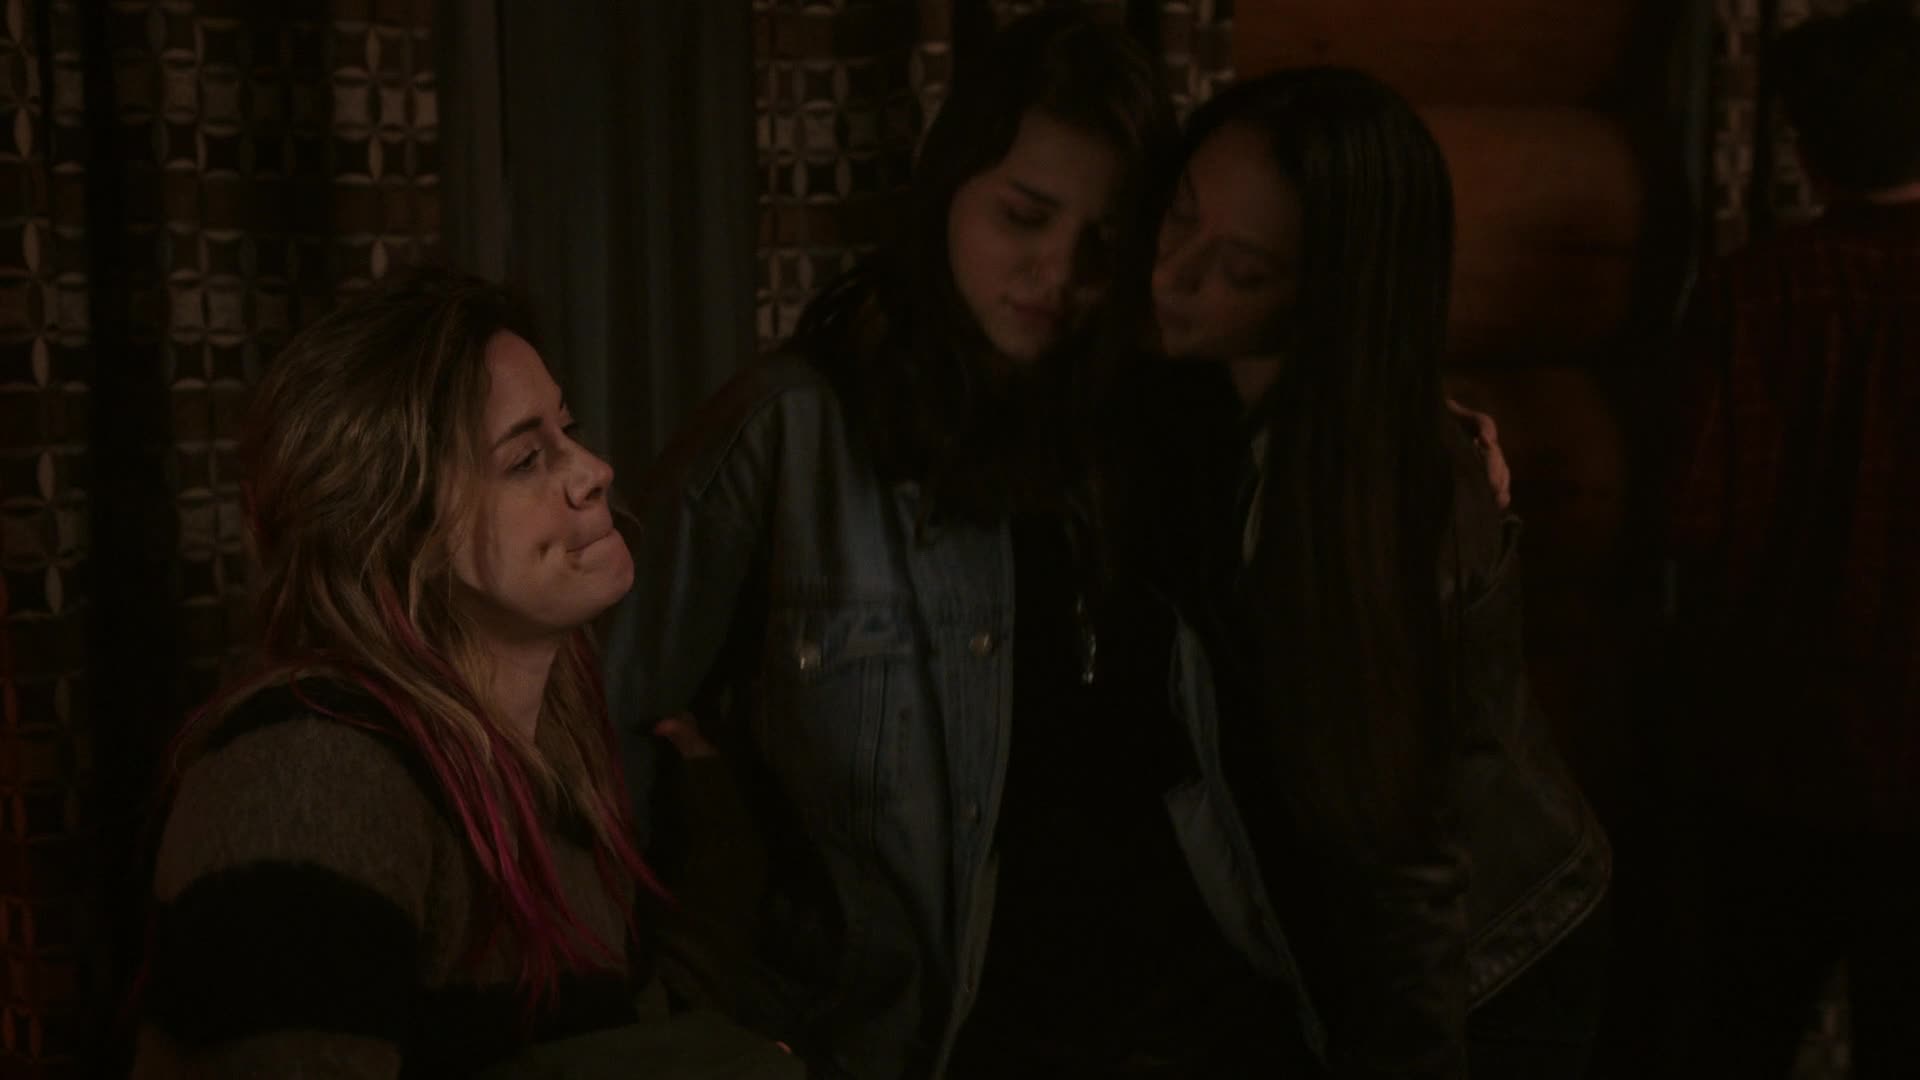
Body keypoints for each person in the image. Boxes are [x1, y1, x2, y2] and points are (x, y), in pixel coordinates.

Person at [602, 8, 1337, 1077]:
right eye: (1023, 216)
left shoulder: (1157, 419)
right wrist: (672, 1001)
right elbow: (596, 725)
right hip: (908, 1041)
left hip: (1191, 1023)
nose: (1057, 272)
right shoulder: (792, 434)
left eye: (1104, 240)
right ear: (950, 186)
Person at [131, 268, 798, 1078]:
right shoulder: (310, 759)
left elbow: (608, 1045)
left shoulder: (546, 769)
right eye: (526, 458)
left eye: (569, 429)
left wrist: (724, 849)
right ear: (401, 529)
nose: (594, 469)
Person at [1136, 67, 1612, 1079]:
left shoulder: (1387, 504)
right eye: (1177, 214)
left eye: (1242, 269)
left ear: (1328, 295)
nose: (1172, 273)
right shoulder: (1217, 396)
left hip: (1491, 961)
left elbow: (1412, 864)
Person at [1664, 3, 1920, 1075]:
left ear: (1805, 149)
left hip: (1776, 756)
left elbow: (1693, 517)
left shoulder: (1753, 292)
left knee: (1734, 1040)